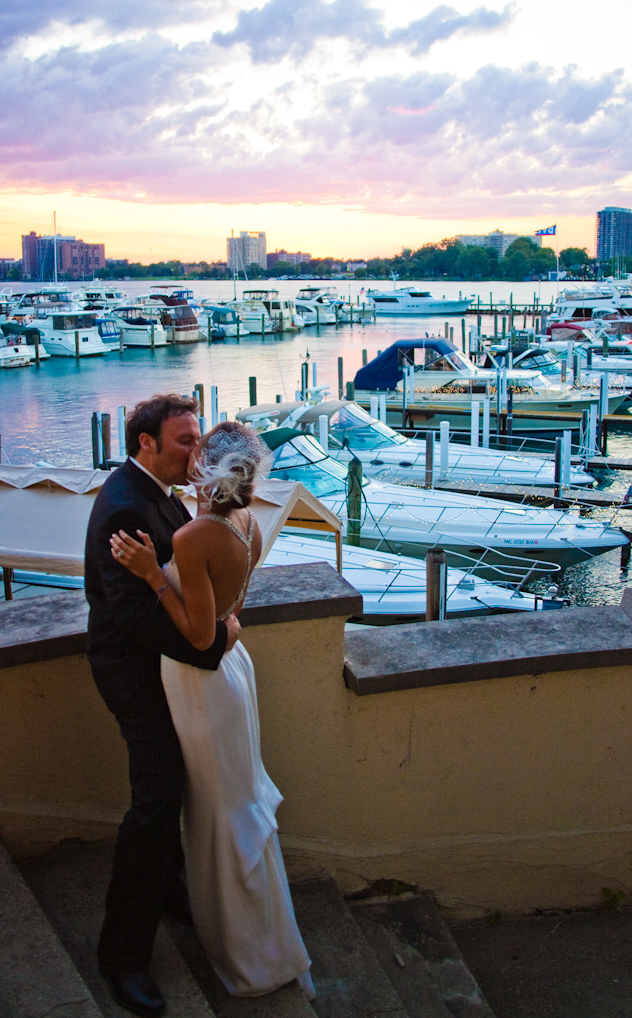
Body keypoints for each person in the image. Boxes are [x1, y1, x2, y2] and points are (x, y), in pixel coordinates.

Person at [108, 420, 314, 1003]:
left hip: (201, 680)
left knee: (220, 813)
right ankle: (259, 933)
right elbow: (231, 609)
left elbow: (199, 636)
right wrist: (224, 622)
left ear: (207, 469)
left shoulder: (196, 535)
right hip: (233, 672)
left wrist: (152, 575)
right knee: (237, 800)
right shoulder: (245, 521)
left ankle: (247, 951)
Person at [85, 395, 239, 1017]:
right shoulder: (126, 505)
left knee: (179, 786)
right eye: (184, 441)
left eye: (198, 438)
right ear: (145, 442)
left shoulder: (161, 492)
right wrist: (216, 642)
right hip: (134, 675)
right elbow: (139, 619)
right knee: (155, 800)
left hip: (163, 667)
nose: (195, 453)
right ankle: (122, 956)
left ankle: (172, 890)